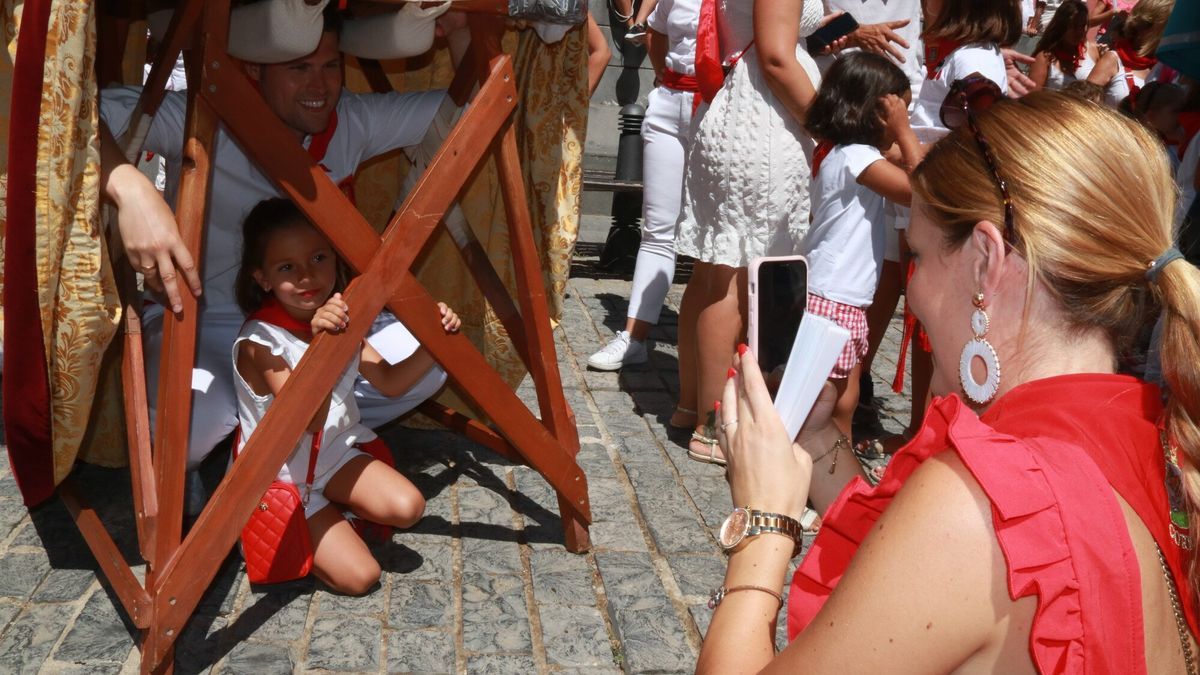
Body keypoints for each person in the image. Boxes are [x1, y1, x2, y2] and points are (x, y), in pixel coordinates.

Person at [697, 92, 1199, 672]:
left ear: (985, 260)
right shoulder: (1150, 431)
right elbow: (908, 577)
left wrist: (762, 524)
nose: (913, 292)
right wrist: (816, 441)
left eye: (920, 257)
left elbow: (952, 542)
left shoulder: (977, 503)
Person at [98, 6, 450, 483]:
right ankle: (279, 436)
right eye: (298, 68)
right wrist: (129, 188)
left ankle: (278, 439)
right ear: (254, 70)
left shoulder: (350, 118)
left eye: (330, 66)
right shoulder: (199, 112)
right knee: (187, 436)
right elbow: (73, 115)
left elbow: (464, 109)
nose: (319, 86)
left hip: (315, 322)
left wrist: (464, 37)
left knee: (430, 365)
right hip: (209, 323)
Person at [233, 199, 460, 595]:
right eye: (287, 267)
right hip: (281, 476)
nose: (307, 275)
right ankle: (271, 524)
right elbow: (309, 420)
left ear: (335, 261)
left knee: (409, 508)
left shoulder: (341, 317)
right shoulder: (260, 344)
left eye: (318, 257)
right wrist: (323, 347)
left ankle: (333, 516)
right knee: (360, 578)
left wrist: (434, 339)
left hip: (334, 455)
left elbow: (390, 382)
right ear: (263, 279)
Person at [673, 0, 826, 465]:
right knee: (732, 280)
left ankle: (691, 406)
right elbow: (778, 59)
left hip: (742, 113)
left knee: (712, 273)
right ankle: (714, 424)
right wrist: (832, 127)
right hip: (765, 122)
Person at [801, 52, 920, 440]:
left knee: (845, 398)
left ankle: (836, 473)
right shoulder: (857, 157)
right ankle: (814, 470)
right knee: (826, 402)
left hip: (839, 296)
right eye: (899, 112)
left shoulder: (840, 150)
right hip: (834, 298)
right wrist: (906, 132)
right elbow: (920, 190)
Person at [587, 0, 699, 374]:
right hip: (672, 103)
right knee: (657, 228)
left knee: (721, 234)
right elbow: (657, 30)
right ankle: (634, 337)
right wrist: (667, 79)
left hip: (723, 108)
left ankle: (725, 343)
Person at [1088, 0, 1175, 106]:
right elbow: (1081, 106)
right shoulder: (1113, 60)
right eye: (1167, 28)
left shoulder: (1163, 68)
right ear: (1147, 27)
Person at [1030, 0, 1096, 91]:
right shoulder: (1045, 58)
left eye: (1083, 25)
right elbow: (1032, 98)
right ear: (1061, 26)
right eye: (1074, 26)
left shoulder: (1093, 50)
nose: (1079, 31)